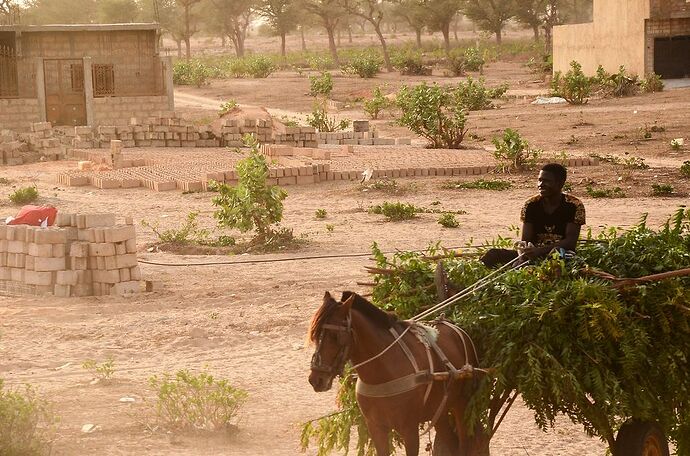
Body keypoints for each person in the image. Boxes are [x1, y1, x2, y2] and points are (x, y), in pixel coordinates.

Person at [436, 163, 586, 299]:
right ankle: (468, 285)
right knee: (493, 255)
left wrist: (539, 252)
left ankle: (486, 291)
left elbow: (570, 243)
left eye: (546, 181)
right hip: (533, 253)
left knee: (547, 267)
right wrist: (524, 253)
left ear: (560, 183)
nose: (540, 184)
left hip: (561, 256)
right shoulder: (531, 205)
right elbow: (526, 239)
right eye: (539, 180)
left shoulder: (573, 206)